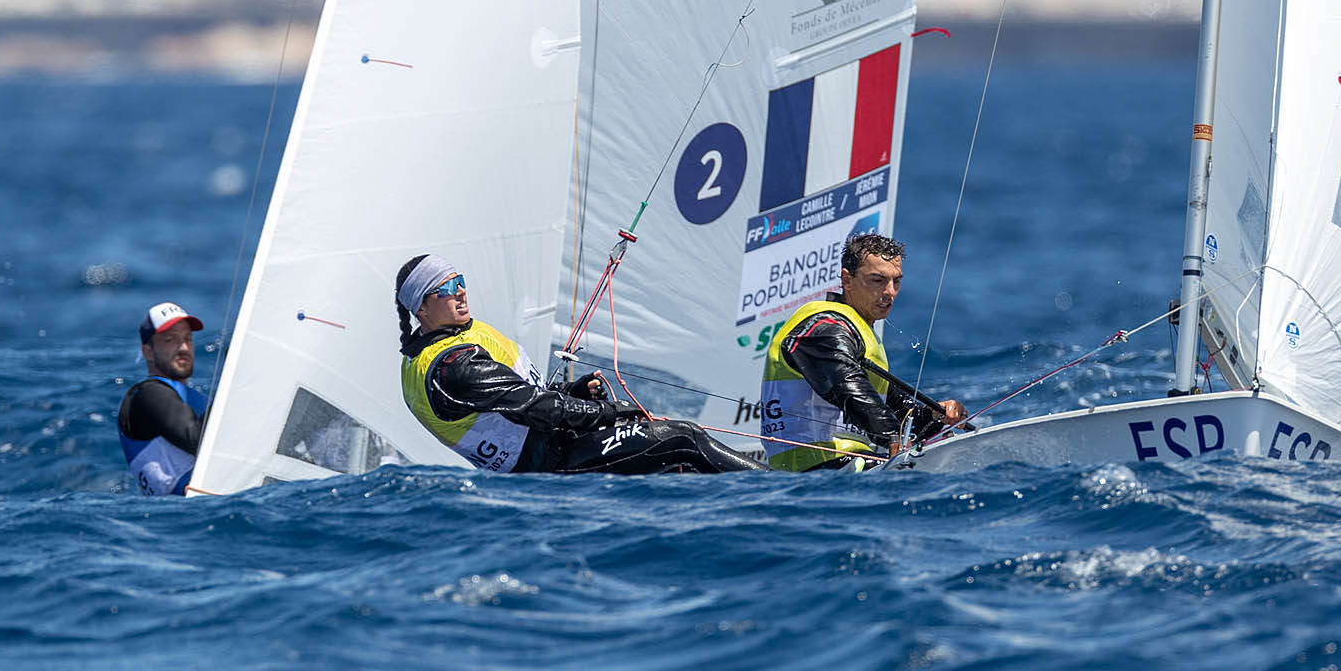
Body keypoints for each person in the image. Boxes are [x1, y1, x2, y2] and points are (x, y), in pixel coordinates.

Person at [395, 254, 765, 474]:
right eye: (445, 288)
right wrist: (608, 412)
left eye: (459, 281)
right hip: (551, 464)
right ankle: (781, 492)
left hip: (553, 451)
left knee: (671, 456)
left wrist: (572, 392)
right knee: (683, 438)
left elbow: (518, 400)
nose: (460, 291)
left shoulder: (455, 340)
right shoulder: (452, 366)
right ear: (421, 308)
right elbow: (536, 410)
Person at [760, 233, 968, 471]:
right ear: (847, 280)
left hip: (849, 468)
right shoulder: (823, 327)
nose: (890, 291)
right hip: (812, 475)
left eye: (896, 282)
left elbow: (897, 413)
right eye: (877, 280)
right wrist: (893, 437)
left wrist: (934, 417)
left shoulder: (860, 334)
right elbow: (850, 389)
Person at [116, 302, 209, 495]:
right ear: (148, 352)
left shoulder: (198, 398)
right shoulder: (148, 394)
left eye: (188, 339)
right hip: (192, 511)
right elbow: (199, 439)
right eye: (170, 340)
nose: (183, 347)